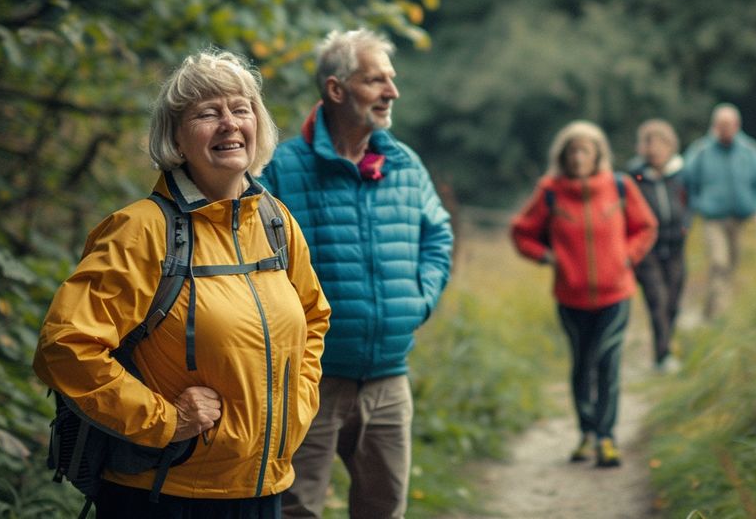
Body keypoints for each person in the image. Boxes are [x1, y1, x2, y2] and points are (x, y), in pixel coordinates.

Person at [33, 49, 331, 518]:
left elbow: (314, 318)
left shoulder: (276, 223)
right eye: (208, 113)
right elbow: (66, 348)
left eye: (242, 108)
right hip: (164, 495)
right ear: (176, 136)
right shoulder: (141, 231)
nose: (230, 123)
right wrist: (165, 421)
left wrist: (297, 403)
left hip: (264, 489)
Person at [258, 29, 453, 519]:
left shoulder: (404, 163)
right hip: (310, 380)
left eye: (391, 79)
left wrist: (419, 299)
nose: (392, 92)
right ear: (336, 89)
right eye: (376, 80)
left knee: (383, 508)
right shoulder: (282, 169)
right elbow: (255, 262)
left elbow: (438, 235)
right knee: (296, 508)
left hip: (389, 379)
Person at [510, 121, 657, 468]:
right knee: (582, 365)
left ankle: (606, 437)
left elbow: (646, 226)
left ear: (597, 155)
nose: (578, 158)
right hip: (570, 297)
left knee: (607, 361)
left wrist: (627, 256)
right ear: (563, 156)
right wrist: (547, 257)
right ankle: (587, 433)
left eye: (585, 151)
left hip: (616, 295)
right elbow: (521, 232)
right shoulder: (550, 191)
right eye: (572, 151)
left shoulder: (620, 187)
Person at [682, 103, 756, 322]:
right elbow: (687, 181)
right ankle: (721, 318)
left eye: (729, 125)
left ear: (737, 125)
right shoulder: (701, 151)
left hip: (743, 219)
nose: (725, 129)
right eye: (720, 125)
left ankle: (710, 312)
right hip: (713, 219)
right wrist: (697, 205)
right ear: (714, 126)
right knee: (719, 263)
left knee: (733, 266)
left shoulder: (750, 150)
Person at [626, 119, 690, 373]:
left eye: (660, 143)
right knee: (657, 301)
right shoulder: (635, 175)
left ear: (670, 145)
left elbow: (690, 201)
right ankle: (662, 356)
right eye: (649, 143)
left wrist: (686, 223)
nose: (655, 149)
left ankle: (666, 346)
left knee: (673, 302)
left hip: (676, 246)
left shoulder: (682, 173)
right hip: (647, 249)